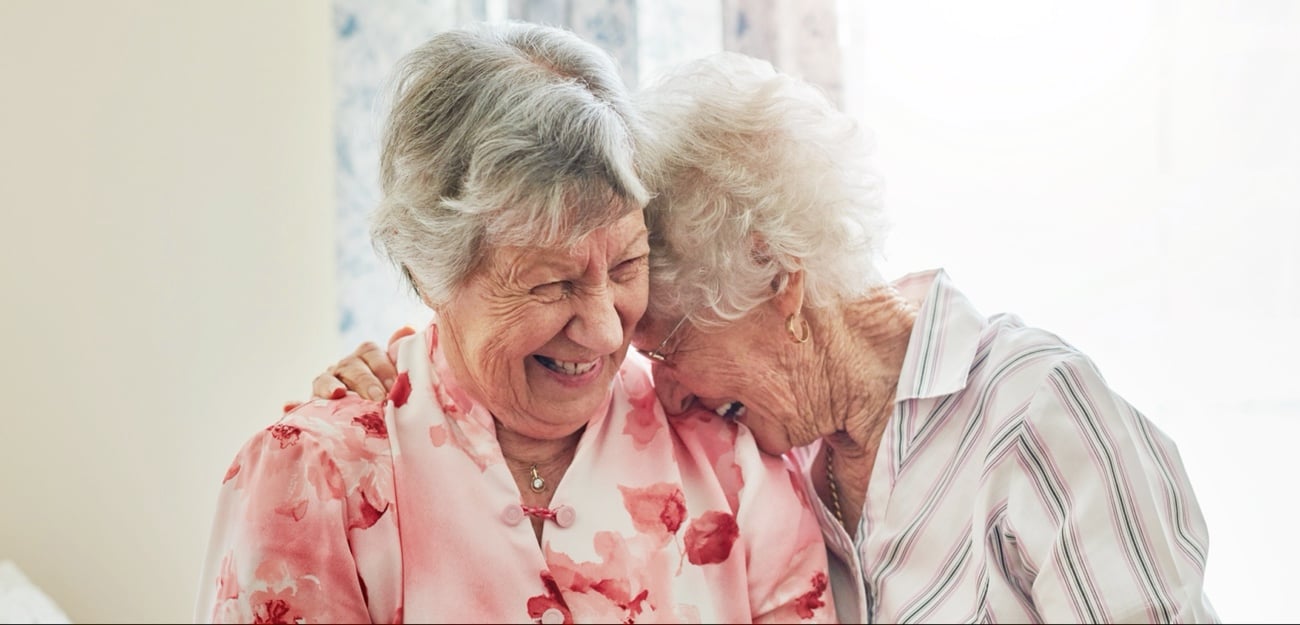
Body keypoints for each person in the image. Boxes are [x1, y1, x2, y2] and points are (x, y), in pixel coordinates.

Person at [318, 53, 1220, 623]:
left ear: (777, 281)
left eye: (667, 348)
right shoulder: (781, 458)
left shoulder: (1034, 416)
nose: (661, 393)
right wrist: (396, 375)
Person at [195, 24, 835, 624]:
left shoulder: (731, 462)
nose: (607, 332)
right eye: (552, 283)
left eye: (626, 265)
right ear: (431, 273)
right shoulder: (315, 479)